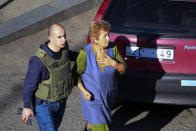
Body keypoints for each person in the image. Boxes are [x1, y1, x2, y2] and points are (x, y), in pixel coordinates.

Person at [22, 24, 78, 131]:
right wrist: (27, 107)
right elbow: (29, 85)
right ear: (50, 37)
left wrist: (87, 55)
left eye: (64, 36)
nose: (64, 40)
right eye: (59, 37)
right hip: (44, 105)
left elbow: (71, 55)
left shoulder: (64, 49)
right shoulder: (38, 61)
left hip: (61, 101)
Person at [75, 20, 127, 131]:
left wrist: (114, 64)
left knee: (95, 124)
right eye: (105, 36)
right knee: (102, 127)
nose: (109, 38)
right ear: (95, 39)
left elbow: (123, 69)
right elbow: (75, 75)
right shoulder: (85, 54)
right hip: (93, 100)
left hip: (108, 98)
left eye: (108, 34)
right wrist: (84, 91)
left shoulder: (112, 48)